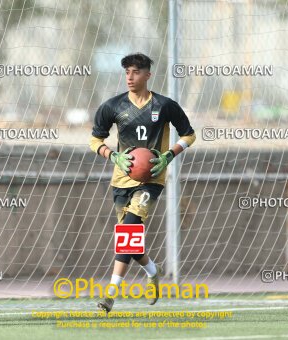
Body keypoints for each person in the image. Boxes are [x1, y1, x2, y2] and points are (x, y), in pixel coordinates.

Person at [89, 53, 196, 312]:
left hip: (151, 180)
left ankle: (110, 295)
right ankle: (152, 269)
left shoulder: (165, 105)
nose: (130, 77)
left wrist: (170, 155)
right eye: (126, 72)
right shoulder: (112, 106)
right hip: (121, 180)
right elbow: (94, 140)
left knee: (128, 230)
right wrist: (113, 155)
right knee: (131, 240)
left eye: (135, 72)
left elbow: (189, 135)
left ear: (148, 74)